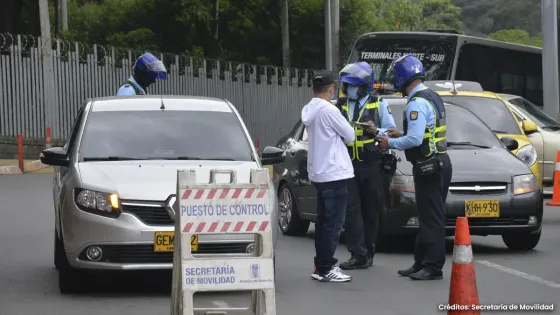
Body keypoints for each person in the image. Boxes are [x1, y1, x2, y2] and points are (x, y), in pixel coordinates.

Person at [377, 54, 453, 280]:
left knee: (432, 219)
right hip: (438, 162)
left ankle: (433, 267)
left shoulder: (417, 102)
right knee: (427, 216)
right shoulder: (432, 96)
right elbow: (425, 133)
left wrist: (389, 142)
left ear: (402, 78)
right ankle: (420, 262)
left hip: (429, 166)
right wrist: (400, 133)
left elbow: (415, 140)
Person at [336, 61, 396, 270]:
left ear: (364, 86)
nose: (349, 89)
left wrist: (375, 130)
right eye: (348, 85)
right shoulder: (340, 105)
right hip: (348, 164)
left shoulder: (378, 104)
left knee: (370, 210)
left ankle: (369, 252)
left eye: (354, 85)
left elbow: (391, 132)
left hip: (371, 163)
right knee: (351, 210)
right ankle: (357, 254)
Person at [301, 70, 355, 283]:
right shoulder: (329, 110)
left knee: (323, 223)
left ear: (313, 89)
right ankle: (326, 267)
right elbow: (350, 135)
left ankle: (321, 265)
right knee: (333, 224)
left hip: (319, 173)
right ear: (332, 89)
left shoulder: (309, 109)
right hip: (335, 172)